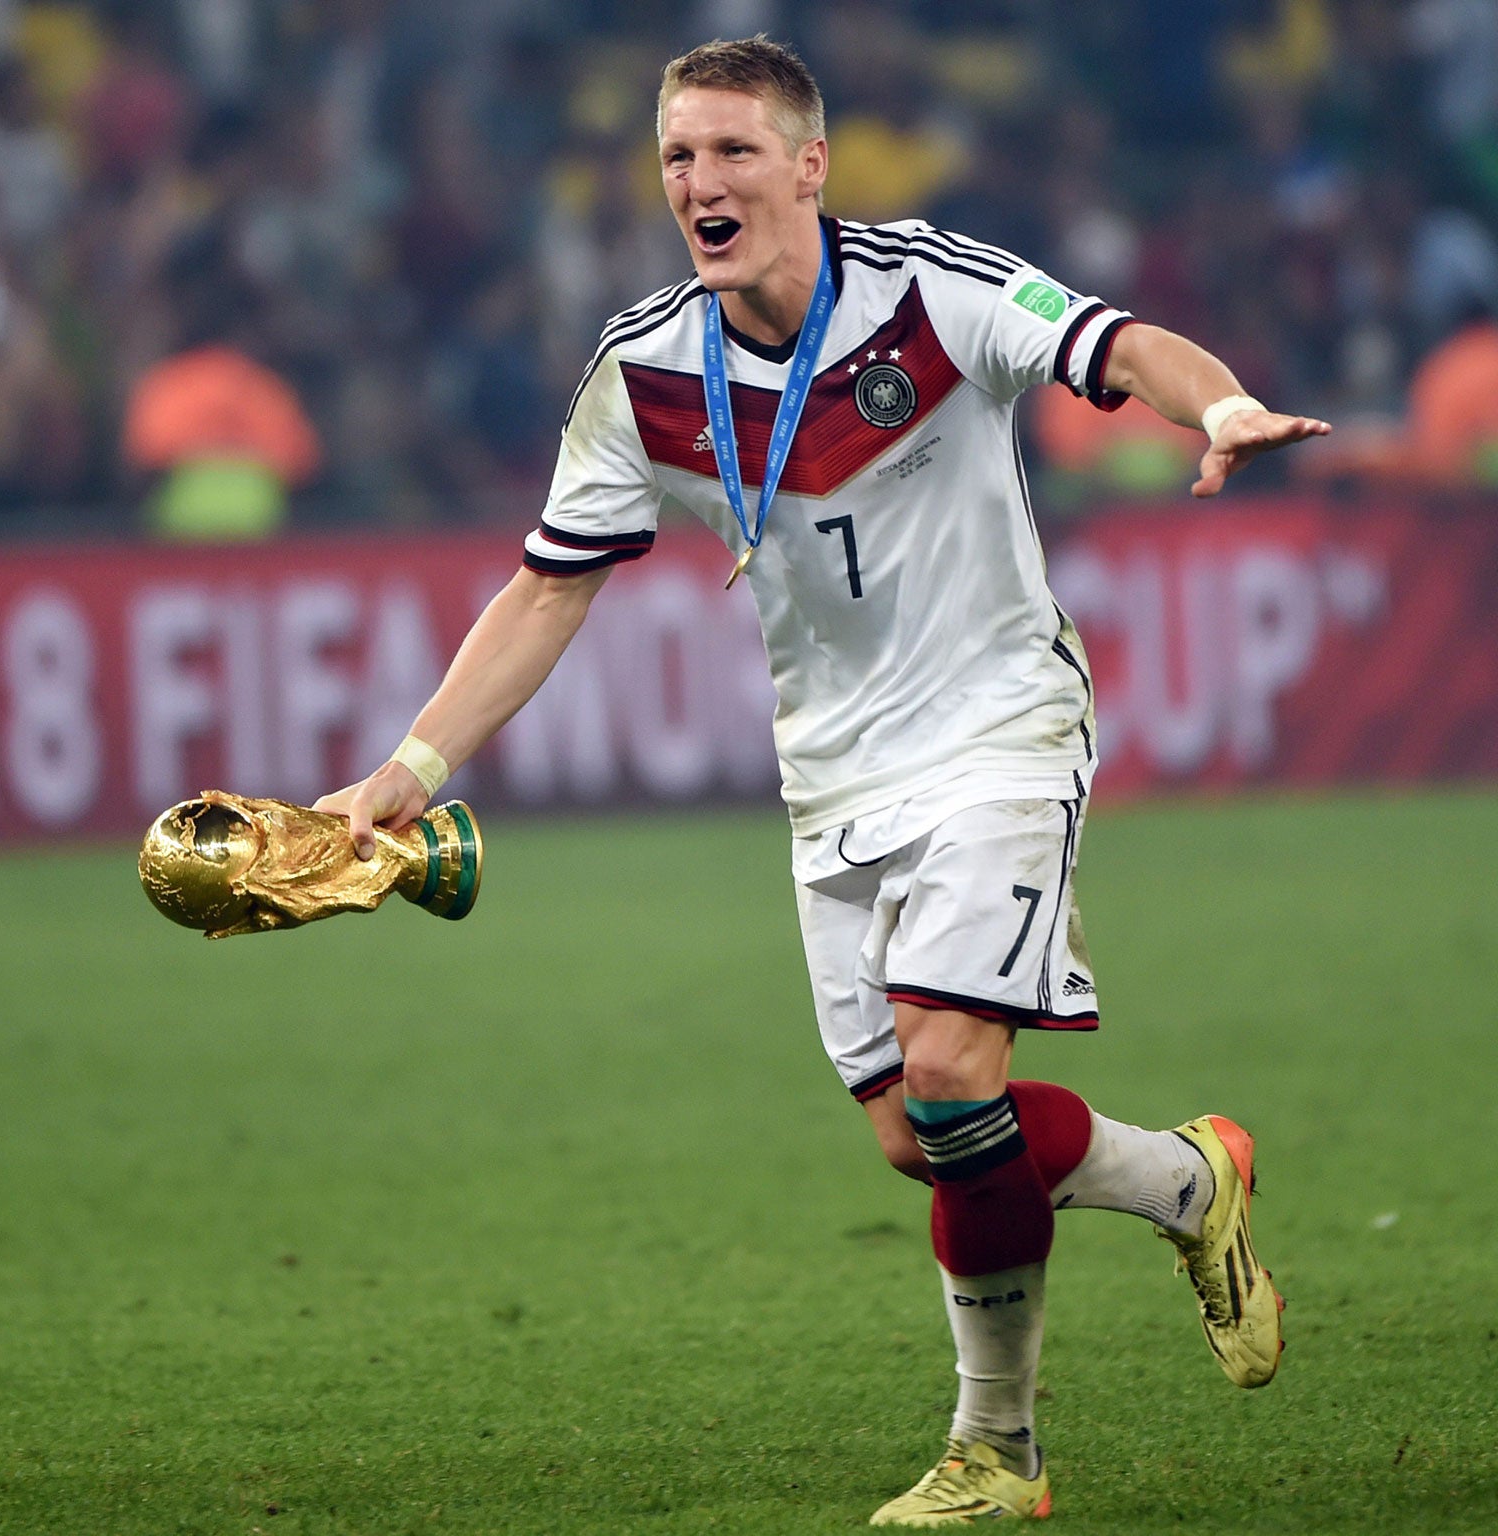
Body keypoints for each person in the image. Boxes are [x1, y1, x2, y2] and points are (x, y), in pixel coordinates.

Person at [316, 36, 1331, 1528]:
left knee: (950, 1072)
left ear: (808, 166)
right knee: (925, 1141)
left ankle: (999, 1453)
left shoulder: (934, 289)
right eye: (677, 157)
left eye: (731, 152)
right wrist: (410, 766)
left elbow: (1120, 348)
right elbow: (546, 588)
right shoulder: (647, 370)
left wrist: (1221, 405)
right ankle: (1189, 1184)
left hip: (998, 728)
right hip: (831, 776)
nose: (699, 183)